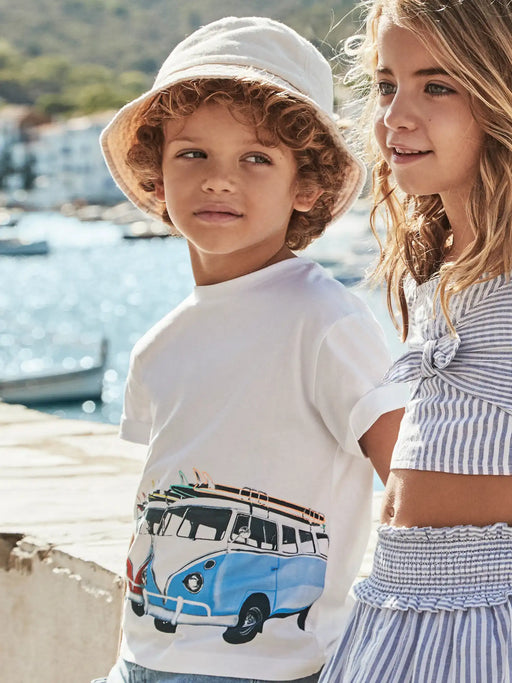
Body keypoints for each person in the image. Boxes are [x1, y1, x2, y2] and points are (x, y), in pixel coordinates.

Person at [94, 16, 406, 683]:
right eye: (192, 154)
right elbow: (166, 496)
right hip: (141, 654)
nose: (218, 179)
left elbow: (405, 474)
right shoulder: (160, 344)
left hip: (268, 669)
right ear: (156, 179)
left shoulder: (324, 320)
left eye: (255, 157)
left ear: (307, 188)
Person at [321, 1, 512, 681]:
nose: (395, 114)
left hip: (484, 625)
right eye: (385, 84)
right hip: (395, 611)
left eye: (437, 86)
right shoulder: (445, 272)